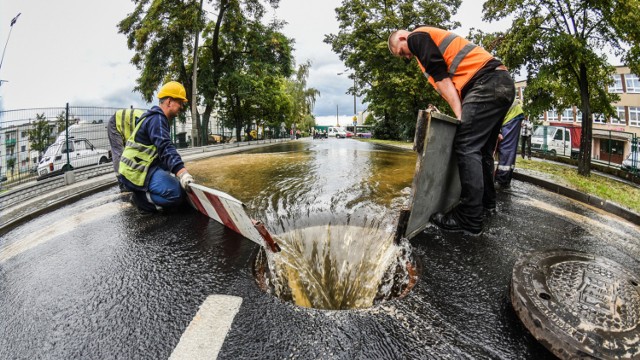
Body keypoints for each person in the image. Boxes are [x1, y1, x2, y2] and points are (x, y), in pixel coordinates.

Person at [389, 26, 515, 234]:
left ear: (402, 37)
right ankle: (486, 205)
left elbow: (442, 79)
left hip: (486, 84)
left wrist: (462, 118)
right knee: (482, 149)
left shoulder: (416, 38)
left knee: (466, 145)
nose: (407, 56)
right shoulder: (430, 41)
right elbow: (455, 86)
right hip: (500, 84)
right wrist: (480, 123)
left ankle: (469, 218)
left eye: (402, 52)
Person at [118, 81, 195, 213]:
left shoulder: (153, 118)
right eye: (180, 102)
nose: (182, 107)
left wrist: (176, 171)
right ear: (169, 102)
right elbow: (165, 147)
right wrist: (182, 173)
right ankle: (142, 201)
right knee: (176, 193)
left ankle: (143, 193)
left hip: (136, 169)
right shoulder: (157, 119)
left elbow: (160, 152)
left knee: (173, 177)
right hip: (136, 173)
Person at [107, 108, 145, 189]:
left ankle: (129, 179)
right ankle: (121, 180)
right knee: (119, 154)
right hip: (115, 124)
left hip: (124, 127)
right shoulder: (143, 123)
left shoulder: (147, 121)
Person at [495, 99, 525, 189]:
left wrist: (498, 131)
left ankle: (501, 180)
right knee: (509, 148)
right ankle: (505, 180)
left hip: (510, 114)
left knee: (506, 148)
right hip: (512, 113)